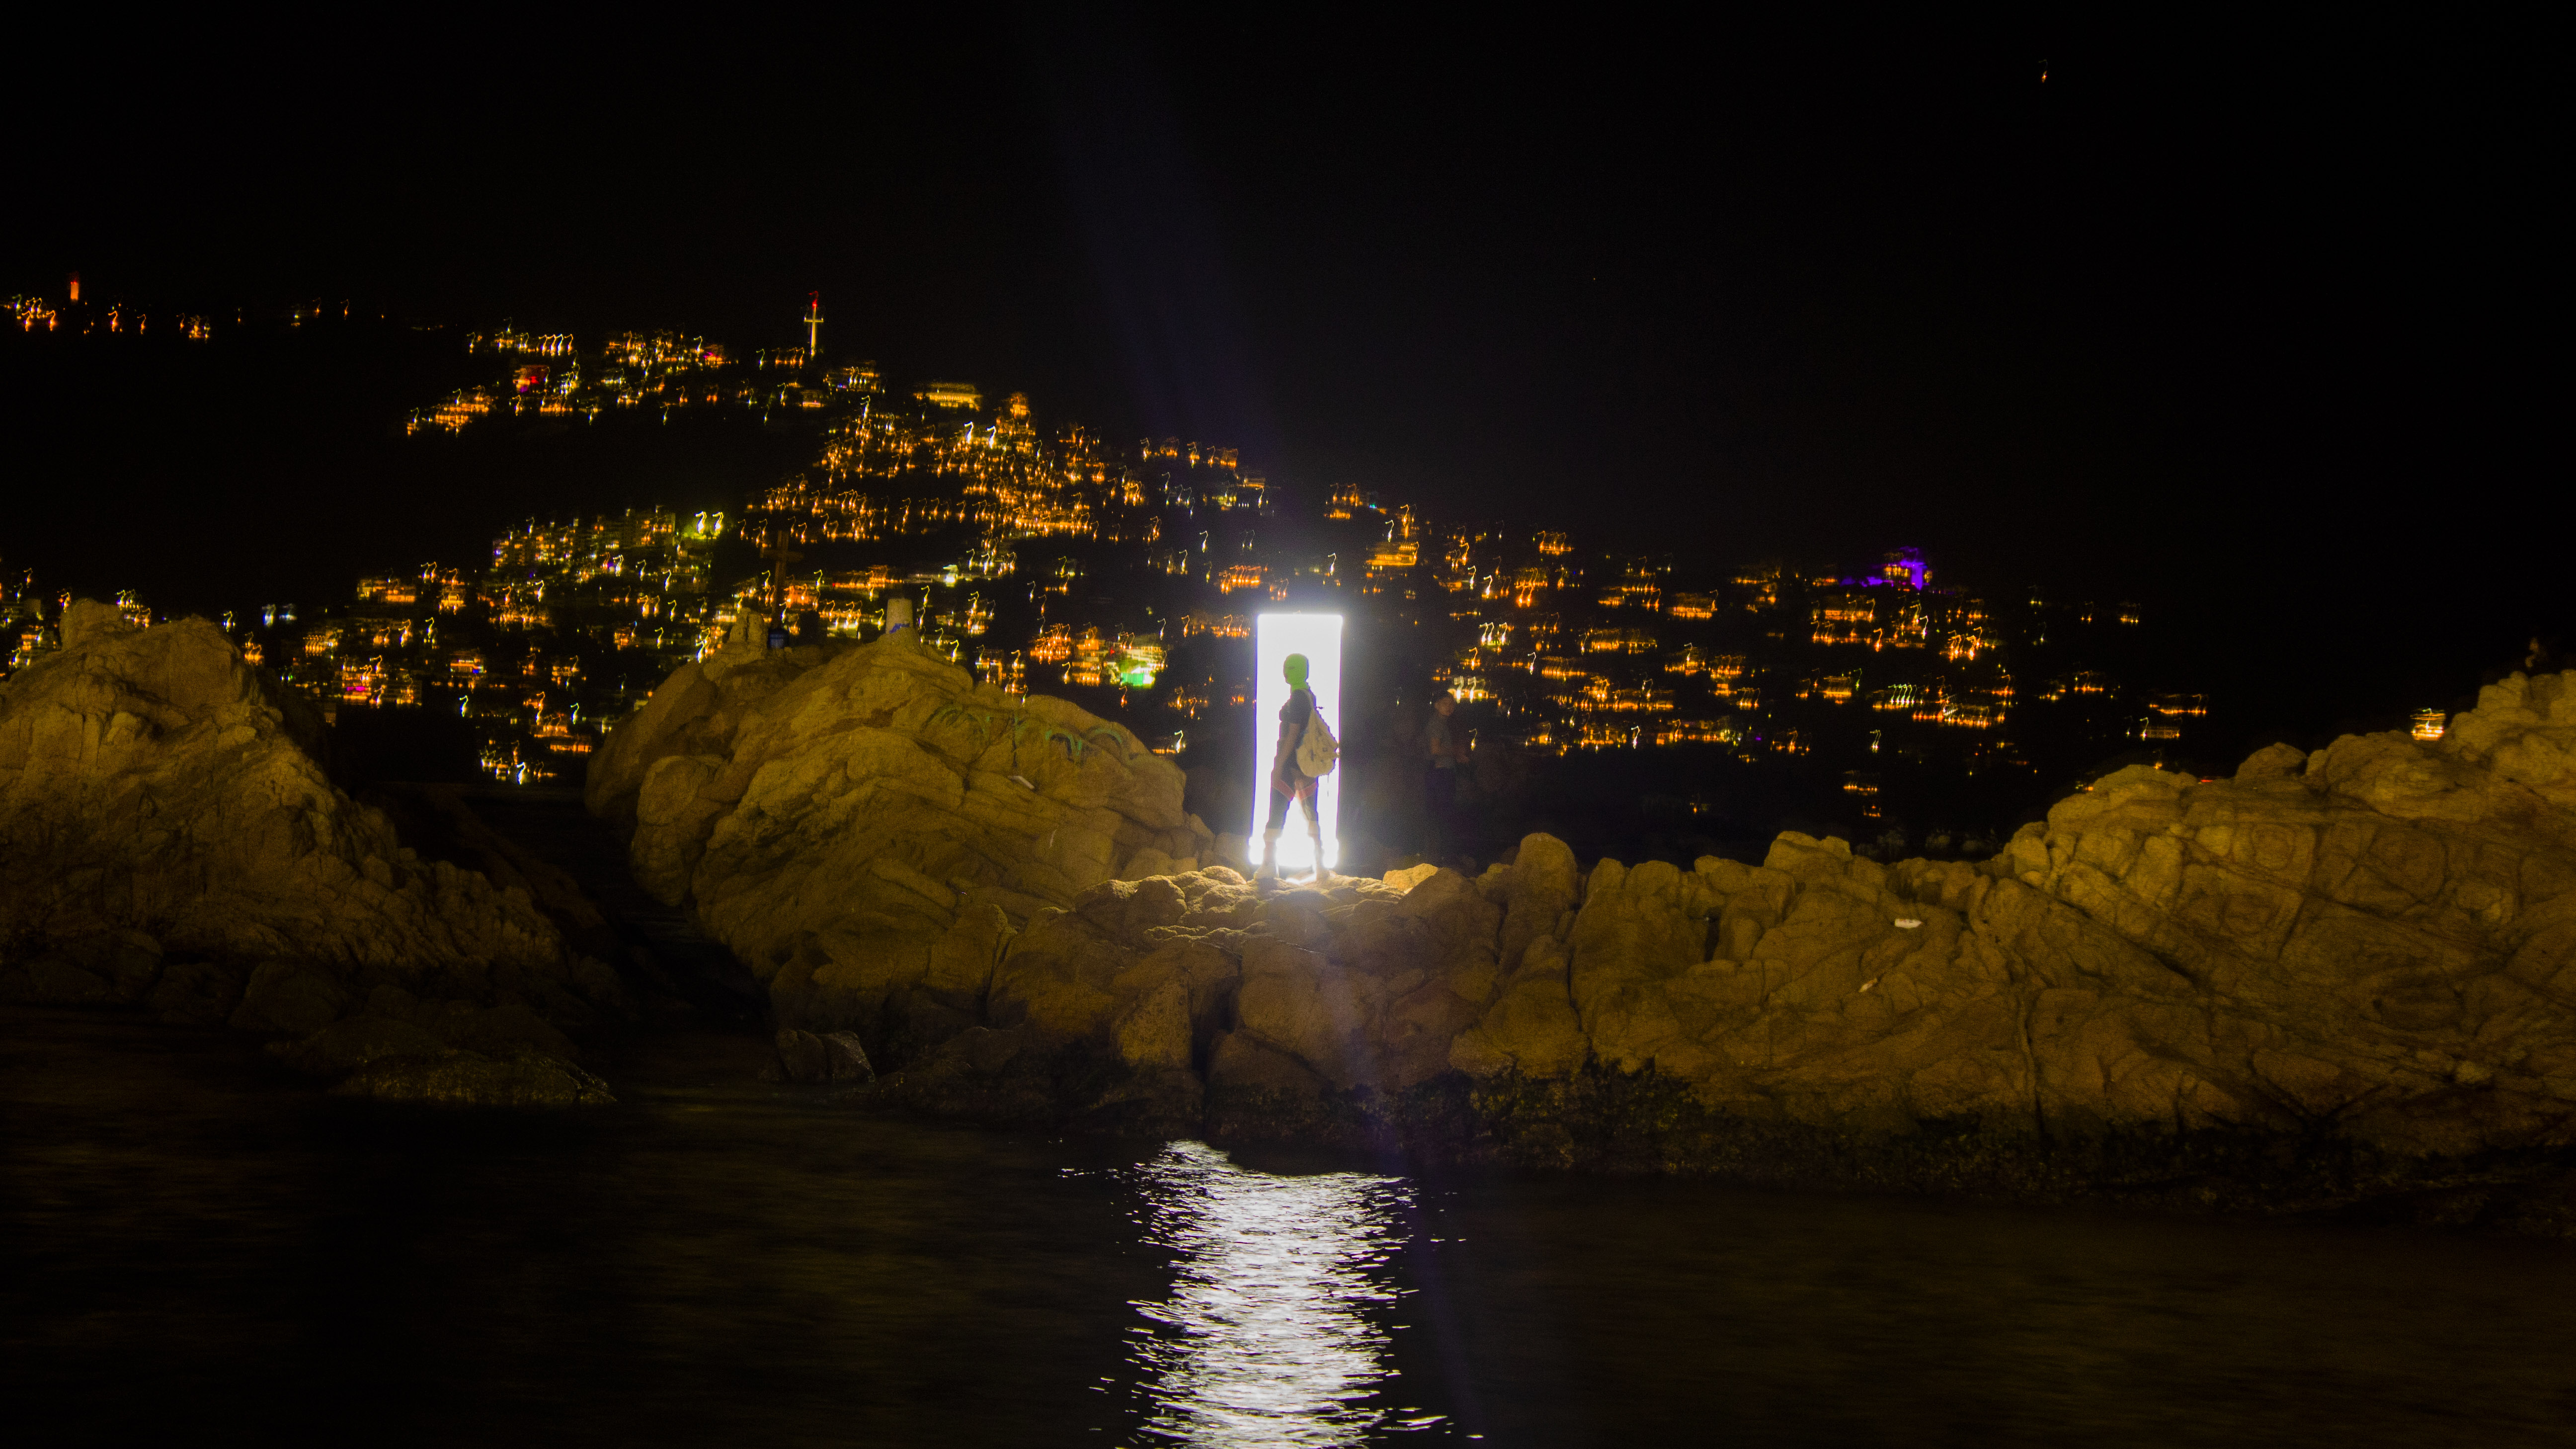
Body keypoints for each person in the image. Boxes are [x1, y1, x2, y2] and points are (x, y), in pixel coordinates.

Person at [1257, 652, 1332, 886]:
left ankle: (1269, 866)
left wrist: (1278, 766)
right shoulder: (1308, 695)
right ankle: (1320, 866)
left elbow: (1292, 735)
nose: (1285, 672)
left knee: (1276, 815)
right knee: (1311, 816)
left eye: (1290, 668)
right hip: (1307, 766)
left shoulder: (1298, 698)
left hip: (1291, 765)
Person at [1423, 691, 1460, 860]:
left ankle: (1442, 854)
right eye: (1445, 703)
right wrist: (1455, 752)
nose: (1450, 707)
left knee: (1442, 814)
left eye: (1452, 704)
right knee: (1444, 814)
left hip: (1442, 772)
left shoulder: (1443, 723)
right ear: (1437, 705)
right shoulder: (1437, 724)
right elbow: (1435, 749)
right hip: (1441, 774)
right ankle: (1444, 855)